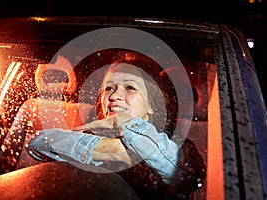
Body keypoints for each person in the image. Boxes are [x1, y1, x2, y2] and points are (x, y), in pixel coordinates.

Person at [26, 49, 206, 199]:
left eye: (130, 88)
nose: (114, 96)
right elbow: (38, 143)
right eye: (109, 88)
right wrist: (113, 150)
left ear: (152, 104)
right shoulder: (92, 133)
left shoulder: (178, 143)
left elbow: (187, 175)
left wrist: (127, 126)